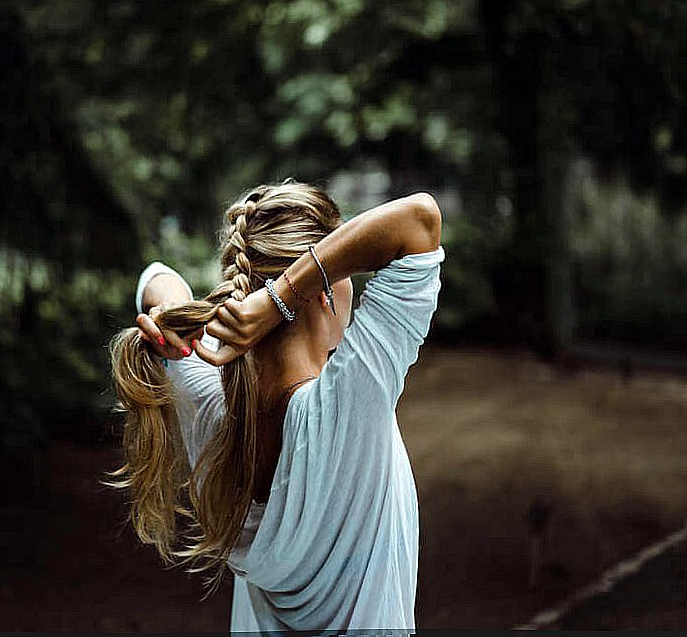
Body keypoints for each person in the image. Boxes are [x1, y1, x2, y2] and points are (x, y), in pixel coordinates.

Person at [106, 179, 445, 633]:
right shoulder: (350, 403)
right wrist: (285, 295)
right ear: (325, 290)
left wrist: (175, 311)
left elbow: (154, 277)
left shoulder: (214, 411)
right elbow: (419, 221)